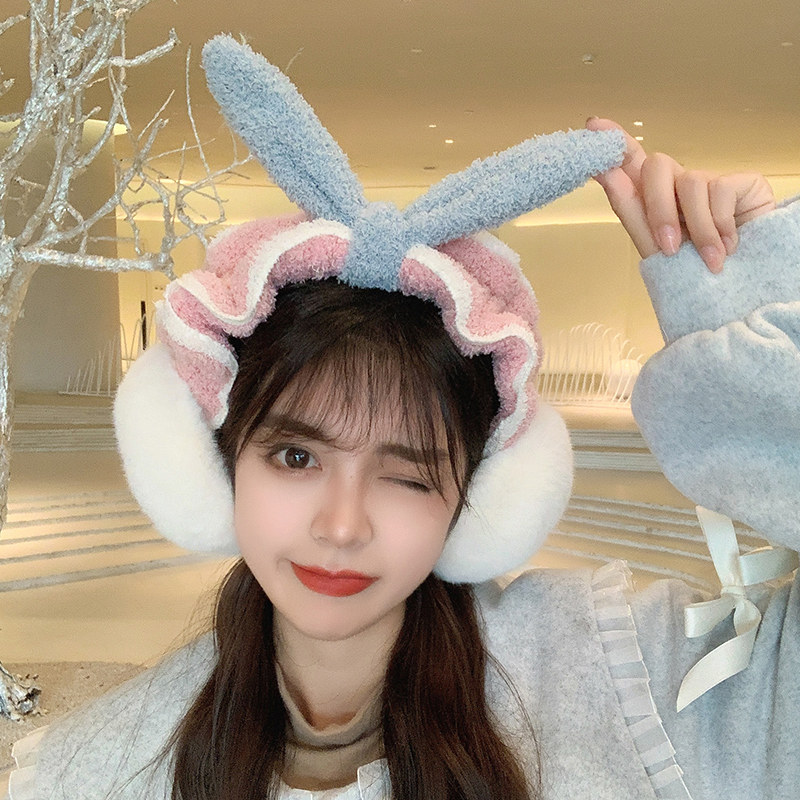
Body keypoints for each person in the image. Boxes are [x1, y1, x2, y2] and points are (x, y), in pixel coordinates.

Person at [4, 36, 798, 800]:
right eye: (296, 457)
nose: (342, 527)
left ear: (479, 496)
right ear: (217, 461)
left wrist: (766, 324)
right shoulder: (94, 769)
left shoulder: (617, 672)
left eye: (409, 476)